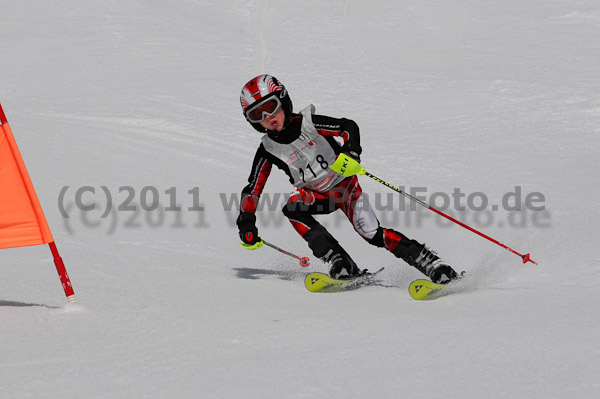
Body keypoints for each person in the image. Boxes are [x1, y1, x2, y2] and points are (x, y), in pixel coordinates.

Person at [236, 74, 459, 283]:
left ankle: (433, 264)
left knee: (371, 233)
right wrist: (246, 220)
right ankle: (339, 261)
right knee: (291, 206)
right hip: (316, 196)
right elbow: (253, 188)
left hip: (345, 188)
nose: (268, 117)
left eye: (271, 107)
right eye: (258, 115)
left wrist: (351, 151)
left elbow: (347, 127)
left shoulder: (308, 124)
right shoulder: (268, 149)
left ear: (283, 101)